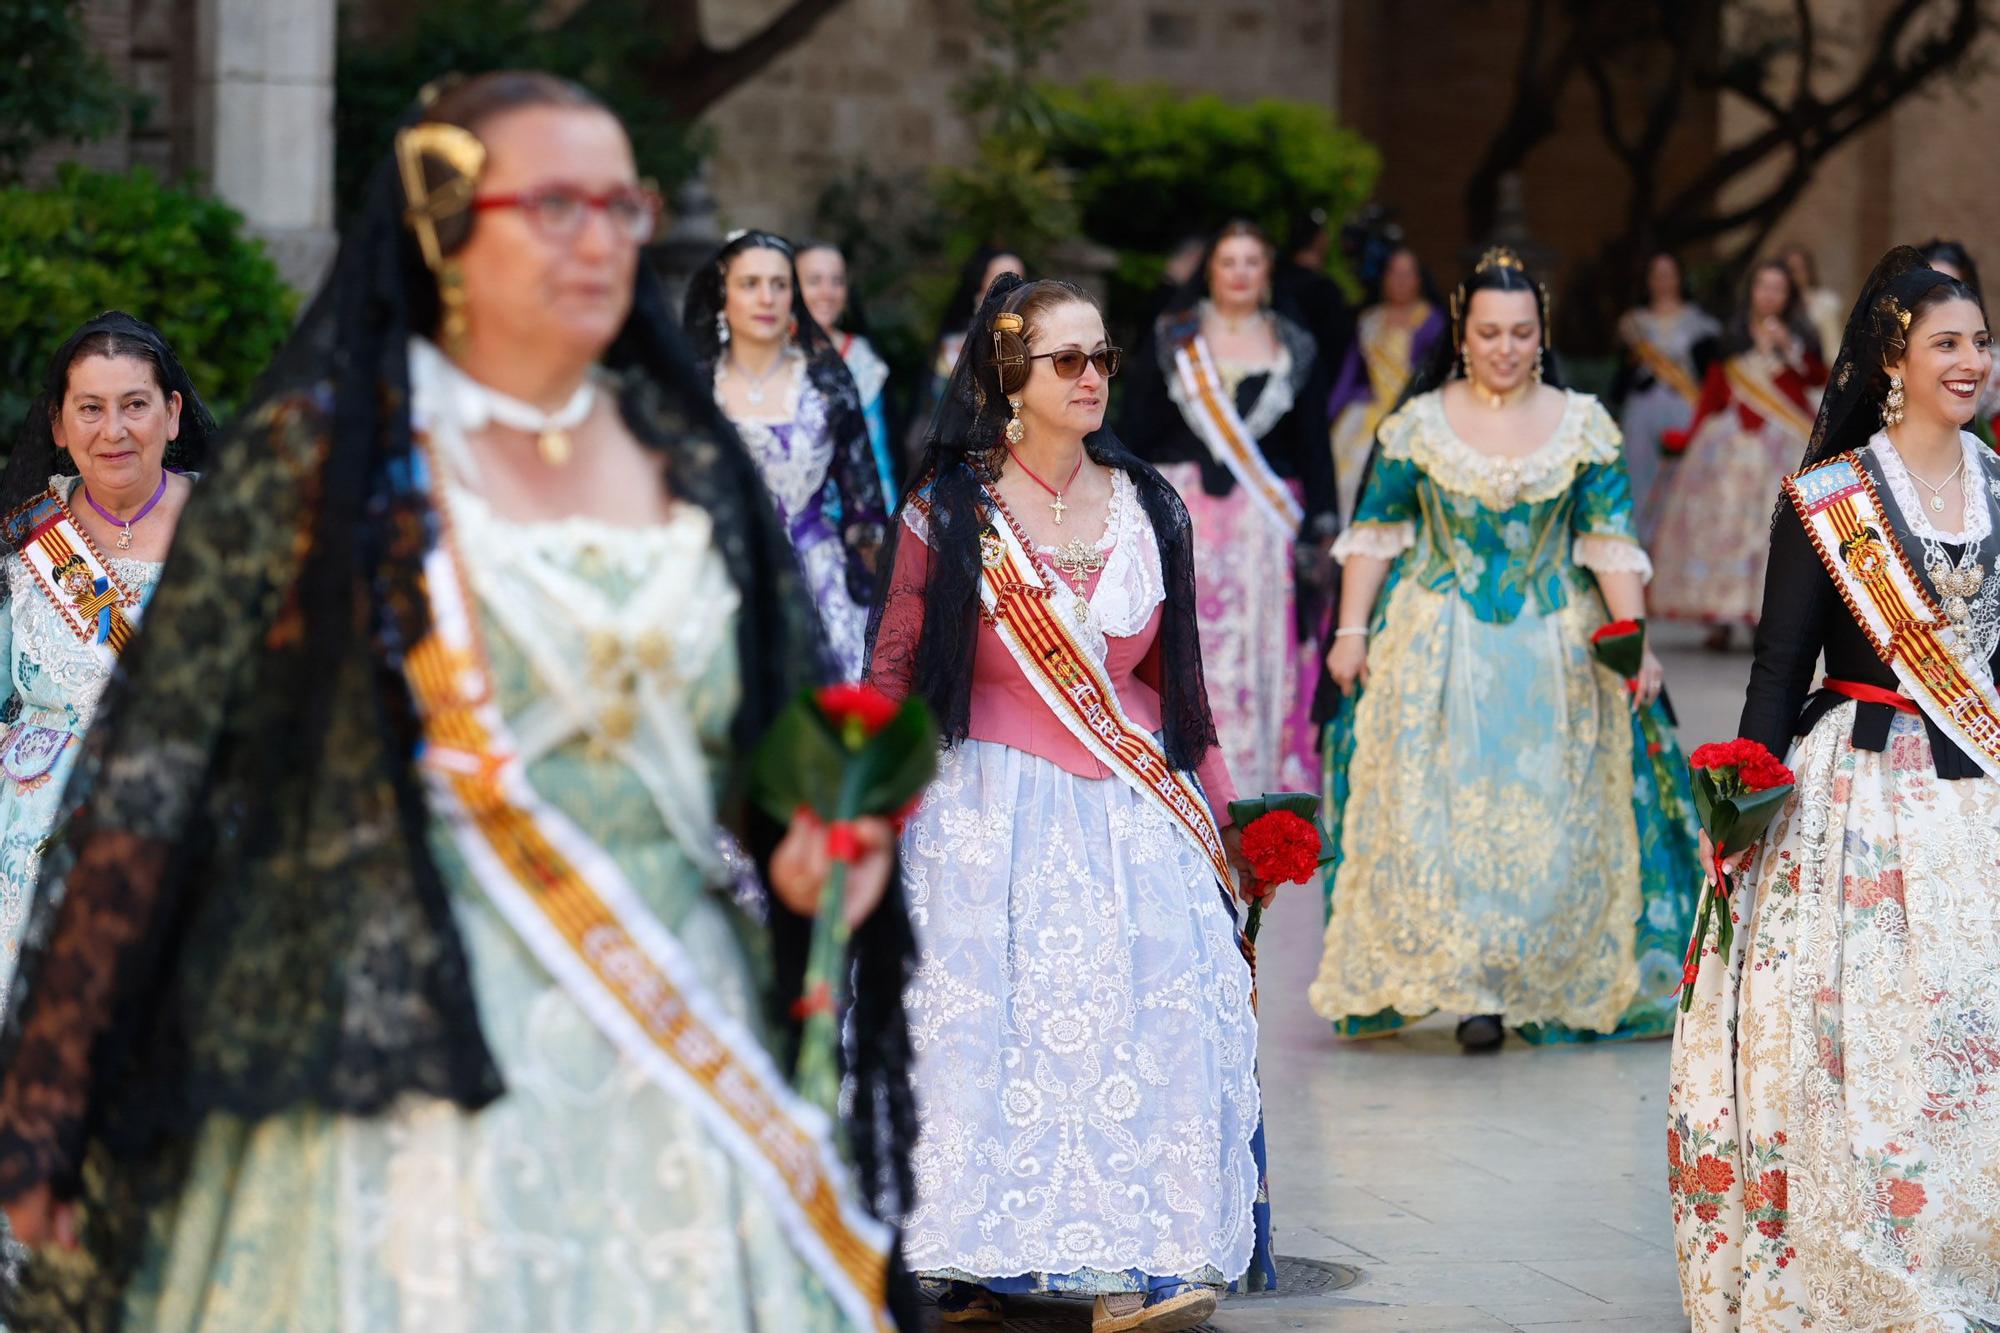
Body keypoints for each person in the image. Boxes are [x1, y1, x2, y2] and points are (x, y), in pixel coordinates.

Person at [0, 72, 918, 1332]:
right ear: (446, 225)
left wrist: (818, 839)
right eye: (553, 203)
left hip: (664, 1030)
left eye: (619, 204)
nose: (598, 237)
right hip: (406, 1064)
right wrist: (54, 1082)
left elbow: (771, 734)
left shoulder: (682, 454)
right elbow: (161, 777)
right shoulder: (323, 465)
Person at [870, 274, 1274, 1331]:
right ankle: (964, 1253)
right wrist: (854, 797)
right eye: (1067, 361)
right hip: (983, 803)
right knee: (984, 1027)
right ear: (1010, 375)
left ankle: (1146, 1257)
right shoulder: (947, 510)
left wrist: (1230, 820)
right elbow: (895, 660)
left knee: (1153, 1012)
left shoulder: (1149, 502)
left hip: (1130, 802)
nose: (1092, 377)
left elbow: (1172, 680)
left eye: (1102, 357)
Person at [1671, 245, 2000, 1331]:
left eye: (1978, 341)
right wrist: (1739, 809)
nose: (1968, 361)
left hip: (1975, 799)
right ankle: (1864, 1247)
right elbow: (1776, 666)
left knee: (1965, 1028)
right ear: (1890, 360)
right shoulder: (1829, 498)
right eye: (1944, 342)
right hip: (1853, 799)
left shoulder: (1998, 483)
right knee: (1861, 1034)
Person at [1309, 247, 1702, 1052]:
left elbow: (1610, 540)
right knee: (1441, 811)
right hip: (1436, 636)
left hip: (1555, 642)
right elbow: (1376, 535)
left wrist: (1634, 640)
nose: (1505, 347)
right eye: (1489, 332)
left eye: (1522, 332)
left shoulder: (1583, 422)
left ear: (1542, 332)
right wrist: (1351, 634)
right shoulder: (1416, 424)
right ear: (1461, 332)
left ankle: (1534, 975)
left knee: (1548, 813)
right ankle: (1470, 982)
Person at [0, 312, 214, 1003]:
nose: (113, 430)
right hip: (29, 871)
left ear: (172, 413)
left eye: (135, 405)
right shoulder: (26, 537)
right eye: (89, 408)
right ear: (59, 425)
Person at [1121, 220, 1336, 798]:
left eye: (1251, 262)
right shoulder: (1175, 336)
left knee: (1256, 641)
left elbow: (1313, 441)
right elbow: (1136, 425)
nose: (1240, 273)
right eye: (1228, 261)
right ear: (1208, 271)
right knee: (1184, 640)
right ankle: (1178, 777)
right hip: (1183, 510)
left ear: (1267, 273)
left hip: (1260, 528)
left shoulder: (1293, 345)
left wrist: (1322, 520)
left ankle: (1250, 782)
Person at [683, 230, 885, 680]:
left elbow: (862, 499)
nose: (766, 298)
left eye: (779, 284)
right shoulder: (695, 389)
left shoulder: (825, 385)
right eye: (750, 284)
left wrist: (870, 575)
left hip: (817, 577)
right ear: (723, 295)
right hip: (717, 576)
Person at [1649, 258, 1826, 646]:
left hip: (1782, 443)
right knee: (1722, 527)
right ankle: (1720, 613)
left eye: (1778, 288)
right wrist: (1690, 436)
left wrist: (1787, 348)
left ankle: (1765, 614)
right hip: (1730, 445)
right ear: (1752, 291)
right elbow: (1714, 392)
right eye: (1763, 286)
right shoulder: (1731, 336)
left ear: (1788, 295)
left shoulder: (1800, 336)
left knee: (1773, 528)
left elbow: (1818, 378)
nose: (1769, 295)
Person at [1327, 244, 1444, 524]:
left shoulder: (1431, 321)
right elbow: (1350, 373)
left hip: (1414, 415)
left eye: (1408, 273)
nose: (1400, 281)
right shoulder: (1369, 320)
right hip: (1366, 415)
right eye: (1394, 273)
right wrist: (1328, 416)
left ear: (1419, 279)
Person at [1613, 252, 1721, 544]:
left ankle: (1681, 540)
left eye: (1668, 274)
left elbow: (1708, 375)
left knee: (1685, 473)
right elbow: (1619, 380)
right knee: (1638, 470)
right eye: (1656, 275)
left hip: (1684, 402)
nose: (1662, 282)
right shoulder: (1632, 324)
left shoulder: (1700, 324)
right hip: (1643, 404)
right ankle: (1640, 540)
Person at [798, 240, 898, 502]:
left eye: (837, 281)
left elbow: (879, 455)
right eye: (814, 281)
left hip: (860, 511)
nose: (828, 292)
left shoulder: (863, 359)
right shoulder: (774, 359)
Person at [1275, 205, 1357, 380]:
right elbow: (1340, 347)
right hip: (1311, 385)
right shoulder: (1325, 290)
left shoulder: (1273, 281)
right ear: (1321, 240)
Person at [1781, 241, 1845, 364]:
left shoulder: (1824, 303)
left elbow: (1832, 348)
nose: (1796, 276)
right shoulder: (1775, 302)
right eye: (1791, 270)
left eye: (1801, 269)